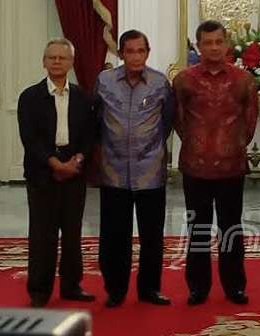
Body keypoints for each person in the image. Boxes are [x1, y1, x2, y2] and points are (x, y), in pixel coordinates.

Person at [173, 20, 258, 306]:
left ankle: (235, 286)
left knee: (231, 228)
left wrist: (230, 145)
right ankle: (197, 287)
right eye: (207, 42)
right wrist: (199, 144)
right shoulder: (184, 80)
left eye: (218, 42)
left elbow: (249, 122)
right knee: (197, 228)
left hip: (231, 167)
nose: (213, 47)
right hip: (195, 166)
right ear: (198, 46)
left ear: (227, 44)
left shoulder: (243, 80)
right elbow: (179, 120)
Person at [95, 30, 174, 307]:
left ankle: (149, 289)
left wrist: (148, 149)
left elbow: (167, 123)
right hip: (114, 170)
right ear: (121, 54)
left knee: (152, 235)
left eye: (141, 51)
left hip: (150, 171)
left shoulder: (160, 83)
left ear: (148, 52)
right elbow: (97, 120)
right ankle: (115, 289)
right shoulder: (104, 81)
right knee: (115, 235)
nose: (136, 56)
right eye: (130, 51)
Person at [17, 38, 95, 307]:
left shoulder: (84, 97)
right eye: (52, 58)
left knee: (72, 233)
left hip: (75, 171)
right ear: (44, 61)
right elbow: (30, 137)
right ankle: (39, 291)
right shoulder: (29, 97)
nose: (57, 62)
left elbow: (89, 135)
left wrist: (77, 161)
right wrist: (54, 163)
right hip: (42, 174)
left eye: (63, 58)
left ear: (72, 63)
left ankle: (72, 285)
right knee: (42, 234)